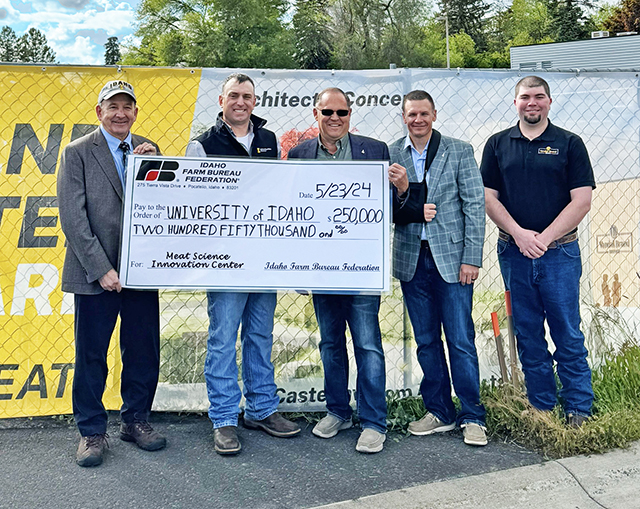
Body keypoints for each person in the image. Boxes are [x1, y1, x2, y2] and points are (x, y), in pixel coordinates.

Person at [185, 73, 300, 455]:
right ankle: (223, 418)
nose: (240, 101)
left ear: (255, 102)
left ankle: (262, 409)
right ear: (221, 101)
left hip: (263, 256)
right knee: (222, 339)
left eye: (247, 96)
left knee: (260, 335)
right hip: (225, 260)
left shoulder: (268, 140)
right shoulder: (202, 144)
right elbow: (191, 201)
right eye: (233, 95)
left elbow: (278, 193)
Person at [58, 80, 166, 467]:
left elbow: (164, 208)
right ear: (99, 112)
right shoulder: (77, 152)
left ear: (135, 112)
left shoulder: (147, 148)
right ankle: (91, 431)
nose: (120, 113)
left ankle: (135, 421)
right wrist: (101, 268)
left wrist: (154, 164)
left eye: (127, 106)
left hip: (140, 272)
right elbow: (73, 217)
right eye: (113, 106)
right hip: (95, 273)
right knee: (91, 355)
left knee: (142, 350)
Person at [481, 75, 595, 428]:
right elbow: (488, 197)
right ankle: (542, 406)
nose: (532, 102)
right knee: (528, 333)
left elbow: (582, 201)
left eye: (539, 96)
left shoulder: (569, 144)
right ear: (515, 102)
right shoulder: (498, 144)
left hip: (559, 253)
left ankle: (578, 408)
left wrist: (542, 239)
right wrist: (519, 235)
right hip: (513, 252)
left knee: (567, 332)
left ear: (549, 101)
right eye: (525, 96)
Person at [288, 87, 389, 454]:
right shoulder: (299, 155)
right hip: (321, 268)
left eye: (341, 112)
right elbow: (290, 211)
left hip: (362, 267)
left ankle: (374, 421)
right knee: (330, 342)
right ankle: (338, 411)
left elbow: (390, 207)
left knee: (367, 344)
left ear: (350, 114)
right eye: (327, 112)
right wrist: (298, 265)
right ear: (316, 114)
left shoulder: (375, 151)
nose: (334, 118)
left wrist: (402, 189)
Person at [388, 90, 487, 446]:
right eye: (411, 114)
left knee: (460, 339)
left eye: (423, 113)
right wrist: (405, 195)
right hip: (412, 259)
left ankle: (472, 415)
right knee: (426, 341)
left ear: (434, 115)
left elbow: (474, 206)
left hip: (452, 260)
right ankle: (440, 411)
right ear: (403, 117)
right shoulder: (391, 154)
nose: (418, 120)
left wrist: (471, 257)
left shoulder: (458, 151)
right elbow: (385, 207)